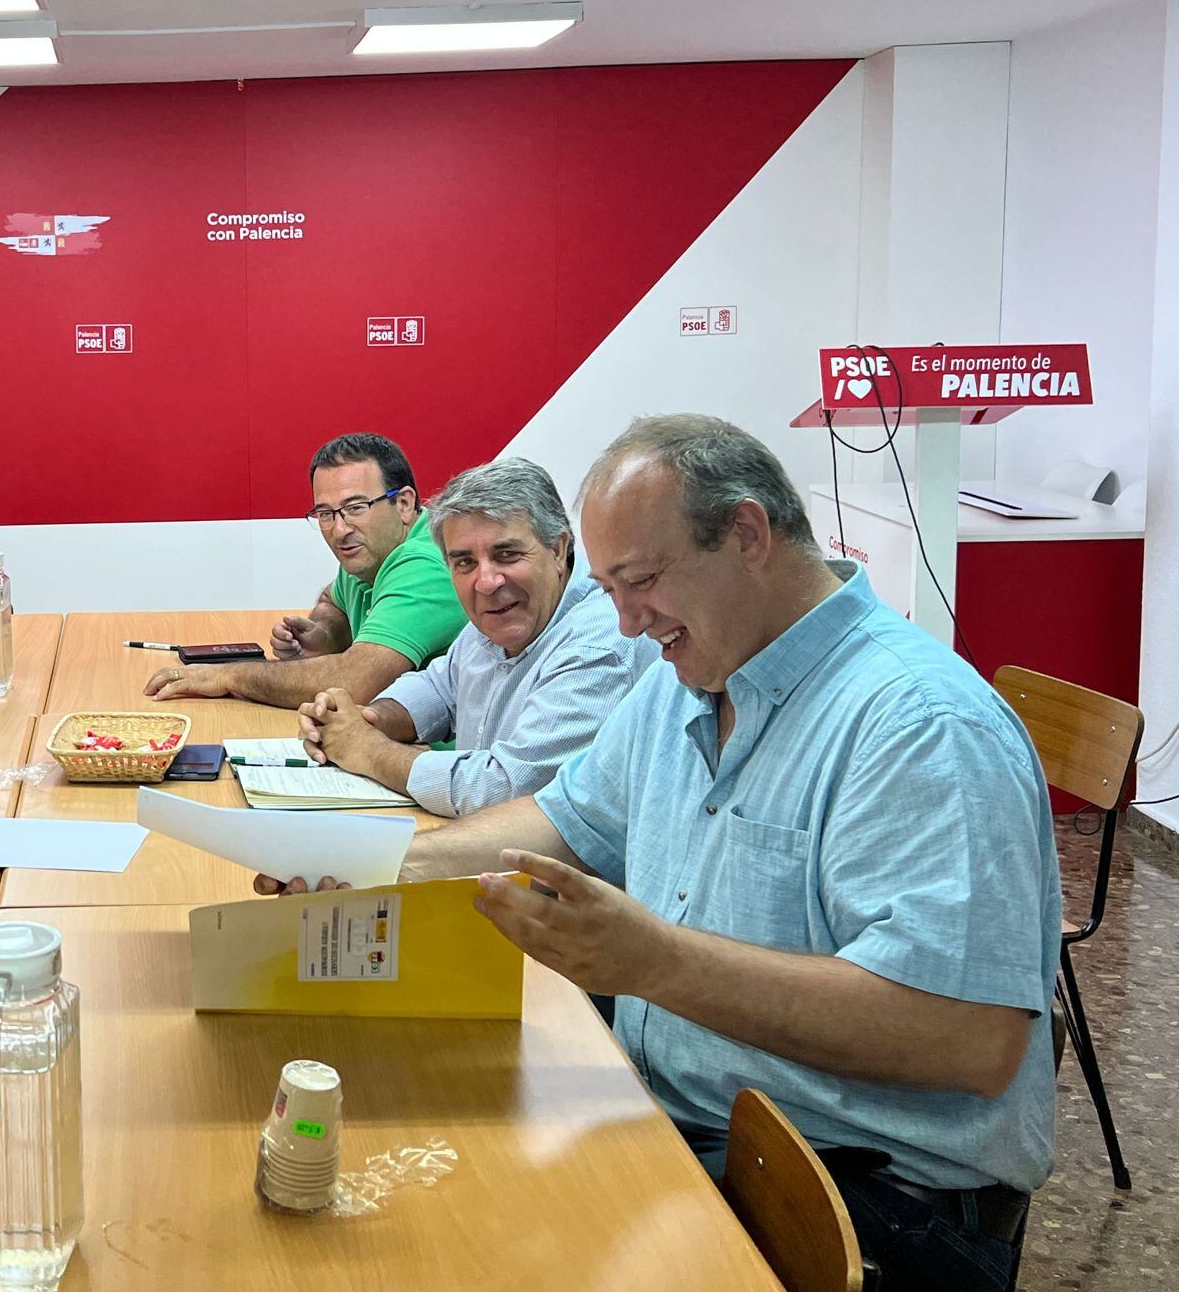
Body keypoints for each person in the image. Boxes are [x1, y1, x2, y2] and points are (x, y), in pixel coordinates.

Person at [261, 416, 1057, 1292]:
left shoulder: (920, 724)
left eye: (639, 583)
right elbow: (559, 822)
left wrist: (656, 964)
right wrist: (370, 864)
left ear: (748, 534)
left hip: (860, 1205)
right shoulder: (688, 679)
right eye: (608, 589)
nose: (629, 625)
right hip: (680, 1118)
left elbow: (968, 1039)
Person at [296, 456, 655, 817]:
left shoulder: (599, 645)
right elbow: (438, 688)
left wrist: (366, 749)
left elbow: (499, 790)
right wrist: (366, 718)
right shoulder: (504, 616)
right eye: (465, 562)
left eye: (507, 554)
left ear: (559, 549)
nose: (486, 582)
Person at [145, 432, 465, 709]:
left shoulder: (427, 563)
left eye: (356, 508)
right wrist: (325, 634)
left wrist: (229, 674)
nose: (339, 530)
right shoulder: (373, 551)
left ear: (405, 504)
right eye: (325, 513)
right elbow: (333, 598)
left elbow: (356, 682)